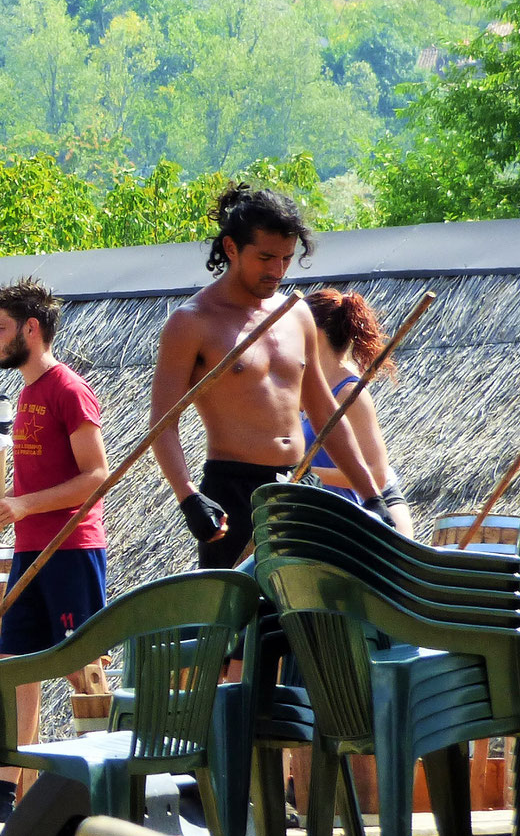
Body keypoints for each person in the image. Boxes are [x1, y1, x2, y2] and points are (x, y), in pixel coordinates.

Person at [0, 279, 111, 823]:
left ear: (31, 330)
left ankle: (108, 783)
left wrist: (26, 504)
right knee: (17, 667)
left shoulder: (67, 388)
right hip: (30, 549)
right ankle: (2, 795)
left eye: (0, 328)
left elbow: (98, 477)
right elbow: (23, 500)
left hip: (71, 549)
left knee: (84, 667)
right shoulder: (28, 392)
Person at [150, 185, 388, 567]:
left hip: (299, 485)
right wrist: (188, 496)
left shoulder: (296, 314)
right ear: (231, 248)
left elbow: (325, 413)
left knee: (315, 615)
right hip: (233, 492)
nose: (277, 271)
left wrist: (372, 497)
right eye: (265, 258)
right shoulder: (192, 322)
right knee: (242, 619)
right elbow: (163, 425)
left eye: (286, 258)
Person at [302, 288, 414, 533]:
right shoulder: (302, 383)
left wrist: (306, 474)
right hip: (327, 516)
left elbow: (377, 474)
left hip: (374, 510)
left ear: (314, 333)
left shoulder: (349, 393)